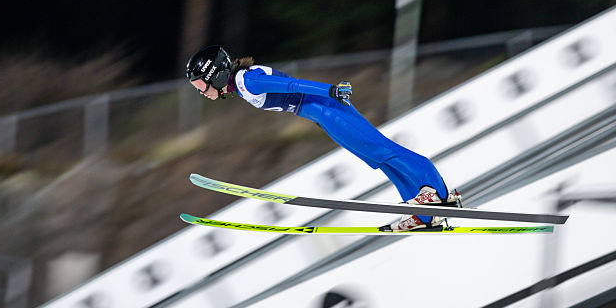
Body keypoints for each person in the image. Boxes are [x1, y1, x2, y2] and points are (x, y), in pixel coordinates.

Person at [185, 45, 463, 231]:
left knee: (384, 151)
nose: (201, 91)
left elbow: (292, 85)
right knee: (377, 159)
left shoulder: (248, 81)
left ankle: (440, 195)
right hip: (322, 115)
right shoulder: (243, 84)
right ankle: (424, 213)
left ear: (216, 75)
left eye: (200, 84)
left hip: (328, 109)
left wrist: (331, 90)